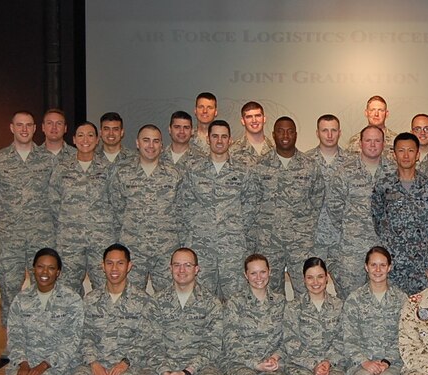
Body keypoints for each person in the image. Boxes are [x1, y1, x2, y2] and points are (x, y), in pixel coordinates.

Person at [64, 244, 165, 375]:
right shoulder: (90, 300)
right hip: (96, 365)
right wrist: (93, 363)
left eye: (120, 263)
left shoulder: (143, 301)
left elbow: (147, 340)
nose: (114, 268)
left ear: (129, 266)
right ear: (102, 266)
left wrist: (125, 363)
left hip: (131, 366)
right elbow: (83, 335)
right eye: (109, 263)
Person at [0, 111, 56, 325]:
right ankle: (12, 341)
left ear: (35, 129)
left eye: (28, 125)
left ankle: (41, 335)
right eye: (19, 125)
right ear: (12, 128)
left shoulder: (48, 161)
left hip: (41, 235)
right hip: (9, 238)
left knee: (43, 288)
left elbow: (56, 194)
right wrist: (7, 221)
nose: (24, 129)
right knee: (9, 289)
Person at [3, 248, 83, 375]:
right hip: (25, 364)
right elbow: (15, 337)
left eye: (51, 268)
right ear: (33, 269)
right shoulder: (21, 299)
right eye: (40, 267)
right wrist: (23, 364)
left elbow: (72, 341)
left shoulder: (72, 300)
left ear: (58, 272)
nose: (45, 272)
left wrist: (44, 365)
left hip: (57, 366)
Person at [247, 116, 325, 296]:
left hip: (300, 241)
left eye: (290, 131)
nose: (285, 135)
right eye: (281, 131)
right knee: (270, 291)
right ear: (273, 135)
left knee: (305, 289)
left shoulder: (309, 165)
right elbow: (252, 201)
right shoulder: (260, 166)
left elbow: (317, 197)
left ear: (296, 135)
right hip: (269, 241)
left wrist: (305, 225)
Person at [109, 124, 184, 293]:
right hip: (133, 249)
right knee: (131, 298)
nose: (151, 145)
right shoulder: (123, 173)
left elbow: (182, 212)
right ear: (137, 143)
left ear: (161, 145)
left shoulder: (175, 175)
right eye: (146, 140)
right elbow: (116, 210)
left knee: (167, 299)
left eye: (156, 141)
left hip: (166, 250)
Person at [182, 119, 253, 299]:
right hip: (202, 247)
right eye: (215, 136)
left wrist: (235, 229)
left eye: (224, 137)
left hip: (233, 249)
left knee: (235, 301)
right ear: (208, 139)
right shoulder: (194, 170)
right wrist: (199, 229)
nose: (219, 141)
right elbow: (184, 205)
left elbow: (250, 206)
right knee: (202, 300)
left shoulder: (243, 170)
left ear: (230, 140)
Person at [49, 121, 117, 296]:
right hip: (69, 240)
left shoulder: (109, 169)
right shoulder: (62, 168)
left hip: (101, 238)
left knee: (103, 285)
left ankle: (100, 321)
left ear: (97, 140)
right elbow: (54, 202)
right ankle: (72, 322)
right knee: (67, 286)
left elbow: (117, 202)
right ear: (73, 139)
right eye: (80, 135)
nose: (85, 140)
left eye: (90, 135)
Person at [150, 248, 226, 375]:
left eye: (188, 265)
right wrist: (167, 374)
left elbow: (213, 346)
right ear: (170, 268)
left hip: (200, 368)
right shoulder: (156, 302)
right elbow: (150, 343)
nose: (182, 270)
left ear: (196, 269)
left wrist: (186, 372)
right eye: (177, 265)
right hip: (165, 367)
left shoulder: (211, 302)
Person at [342, 246, 407, 375]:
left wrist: (386, 362)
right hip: (360, 363)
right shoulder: (354, 299)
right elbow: (349, 338)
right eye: (373, 265)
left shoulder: (402, 300)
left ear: (389, 267)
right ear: (366, 267)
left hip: (392, 363)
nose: (378, 270)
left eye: (382, 265)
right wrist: (365, 362)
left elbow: (405, 337)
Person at [327, 125, 390, 297]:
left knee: (382, 300)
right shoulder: (344, 172)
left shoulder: (393, 172)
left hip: (384, 249)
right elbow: (333, 209)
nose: (372, 145)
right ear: (360, 143)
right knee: (350, 300)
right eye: (368, 140)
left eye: (377, 140)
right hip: (352, 251)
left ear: (383, 144)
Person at [372, 133, 428, 295]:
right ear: (394, 154)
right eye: (401, 151)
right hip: (393, 260)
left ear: (418, 155)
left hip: (420, 261)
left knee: (420, 310)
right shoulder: (384, 185)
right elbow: (376, 217)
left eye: (410, 150)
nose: (406, 155)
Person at [223, 254, 287, 375]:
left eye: (263, 272)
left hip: (273, 366)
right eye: (253, 273)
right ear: (245, 275)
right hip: (241, 364)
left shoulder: (281, 302)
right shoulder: (234, 302)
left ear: (270, 272)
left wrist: (275, 357)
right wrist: (255, 364)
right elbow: (231, 341)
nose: (259, 277)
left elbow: (289, 338)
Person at [282, 257, 349, 375]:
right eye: (310, 277)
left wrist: (327, 362)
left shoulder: (340, 306)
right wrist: (314, 364)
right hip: (301, 367)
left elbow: (343, 339)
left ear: (326, 278)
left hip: (333, 366)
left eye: (320, 277)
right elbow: (290, 342)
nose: (315, 282)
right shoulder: (293, 307)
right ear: (304, 280)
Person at [307, 114, 351, 264]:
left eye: (334, 130)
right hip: (313, 237)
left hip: (343, 239)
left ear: (340, 132)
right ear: (317, 133)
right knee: (312, 284)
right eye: (325, 130)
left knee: (347, 286)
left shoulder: (352, 162)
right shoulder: (305, 161)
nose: (330, 135)